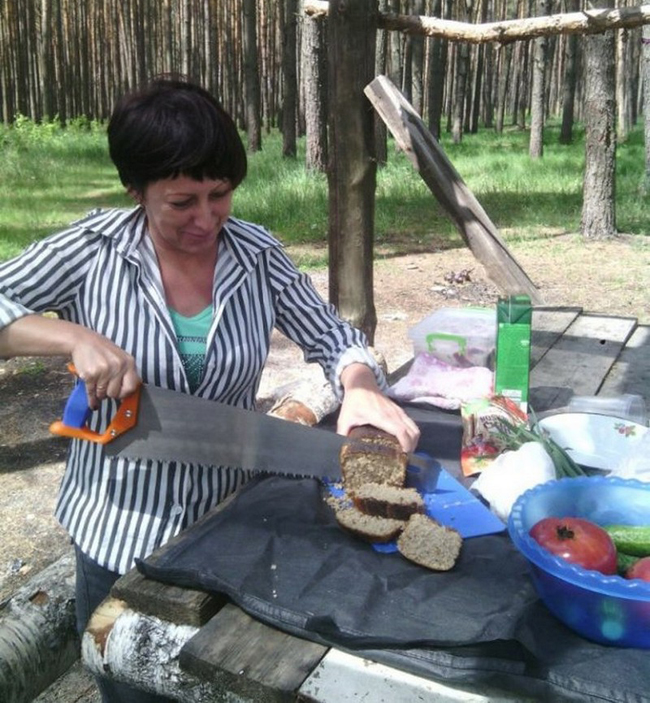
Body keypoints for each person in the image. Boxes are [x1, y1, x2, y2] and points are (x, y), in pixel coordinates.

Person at [0, 77, 420, 701]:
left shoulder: (256, 255)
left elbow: (336, 337)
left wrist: (358, 384)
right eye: (181, 202)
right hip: (117, 538)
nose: (206, 218)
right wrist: (71, 339)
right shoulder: (91, 249)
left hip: (228, 531)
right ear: (135, 190)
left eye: (219, 194)